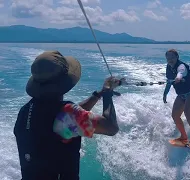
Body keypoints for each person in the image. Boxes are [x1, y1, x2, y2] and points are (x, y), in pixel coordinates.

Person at [14, 50, 123, 180]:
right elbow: (111, 128)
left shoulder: (25, 111)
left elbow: (67, 118)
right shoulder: (68, 114)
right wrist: (107, 94)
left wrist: (97, 95)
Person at [163, 49, 190, 143]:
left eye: (172, 57)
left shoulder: (181, 66)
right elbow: (169, 82)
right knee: (175, 115)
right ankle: (184, 136)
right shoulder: (168, 68)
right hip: (181, 94)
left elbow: (181, 72)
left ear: (177, 57)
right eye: (168, 57)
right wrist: (165, 94)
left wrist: (178, 78)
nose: (170, 59)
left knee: (188, 112)